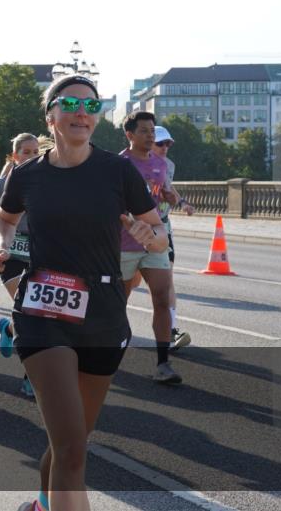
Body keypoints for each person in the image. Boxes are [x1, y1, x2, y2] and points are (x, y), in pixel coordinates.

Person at [0, 75, 167, 511]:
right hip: (43, 310)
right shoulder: (28, 175)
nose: (81, 111)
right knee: (72, 451)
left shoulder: (118, 171)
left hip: (103, 312)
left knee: (72, 440)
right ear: (51, 117)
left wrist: (150, 236)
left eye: (90, 104)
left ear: (98, 116)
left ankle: (42, 506)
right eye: (69, 103)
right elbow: (4, 219)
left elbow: (158, 232)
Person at [119, 112, 183, 384]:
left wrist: (172, 197)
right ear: (130, 135)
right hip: (124, 243)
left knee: (162, 297)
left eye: (152, 131)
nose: (150, 136)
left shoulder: (160, 163)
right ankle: (112, 353)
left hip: (155, 243)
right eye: (144, 131)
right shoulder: (118, 164)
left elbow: (165, 196)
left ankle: (163, 363)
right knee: (118, 302)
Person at [0, 133, 40, 397]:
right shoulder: (3, 184)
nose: (30, 156)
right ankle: (33, 377)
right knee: (31, 311)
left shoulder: (48, 184)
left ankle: (8, 327)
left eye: (35, 152)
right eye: (25, 152)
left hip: (40, 257)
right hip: (12, 258)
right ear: (15, 156)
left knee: (40, 314)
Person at [147, 125, 194, 350]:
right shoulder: (131, 162)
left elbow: (168, 187)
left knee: (166, 280)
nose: (165, 148)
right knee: (123, 283)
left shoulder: (169, 165)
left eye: (168, 144)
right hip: (134, 229)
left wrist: (182, 202)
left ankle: (171, 330)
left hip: (162, 227)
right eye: (160, 143)